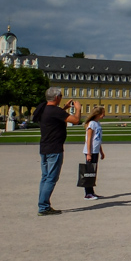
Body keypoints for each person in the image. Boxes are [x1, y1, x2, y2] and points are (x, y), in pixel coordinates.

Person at [37, 87, 83, 216]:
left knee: (45, 177)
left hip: (44, 148)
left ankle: (43, 205)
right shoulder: (55, 111)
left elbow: (54, 117)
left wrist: (64, 109)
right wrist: (78, 109)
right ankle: (43, 207)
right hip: (54, 148)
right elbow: (75, 120)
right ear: (57, 97)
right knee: (51, 178)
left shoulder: (44, 109)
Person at [82, 106, 106, 200]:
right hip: (90, 151)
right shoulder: (91, 124)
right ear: (98, 114)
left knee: (93, 172)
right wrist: (89, 153)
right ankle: (87, 193)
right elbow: (89, 140)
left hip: (95, 151)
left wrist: (101, 151)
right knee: (89, 172)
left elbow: (97, 139)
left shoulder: (97, 123)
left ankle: (91, 192)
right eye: (103, 113)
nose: (104, 115)